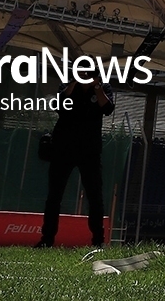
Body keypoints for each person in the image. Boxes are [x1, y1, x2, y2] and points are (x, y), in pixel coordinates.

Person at [36, 77, 115, 248]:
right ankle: (47, 239)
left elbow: (108, 108)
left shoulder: (103, 88)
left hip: (90, 150)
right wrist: (74, 82)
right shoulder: (67, 86)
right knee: (54, 196)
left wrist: (97, 87)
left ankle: (98, 241)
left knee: (95, 197)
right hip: (63, 148)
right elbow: (58, 105)